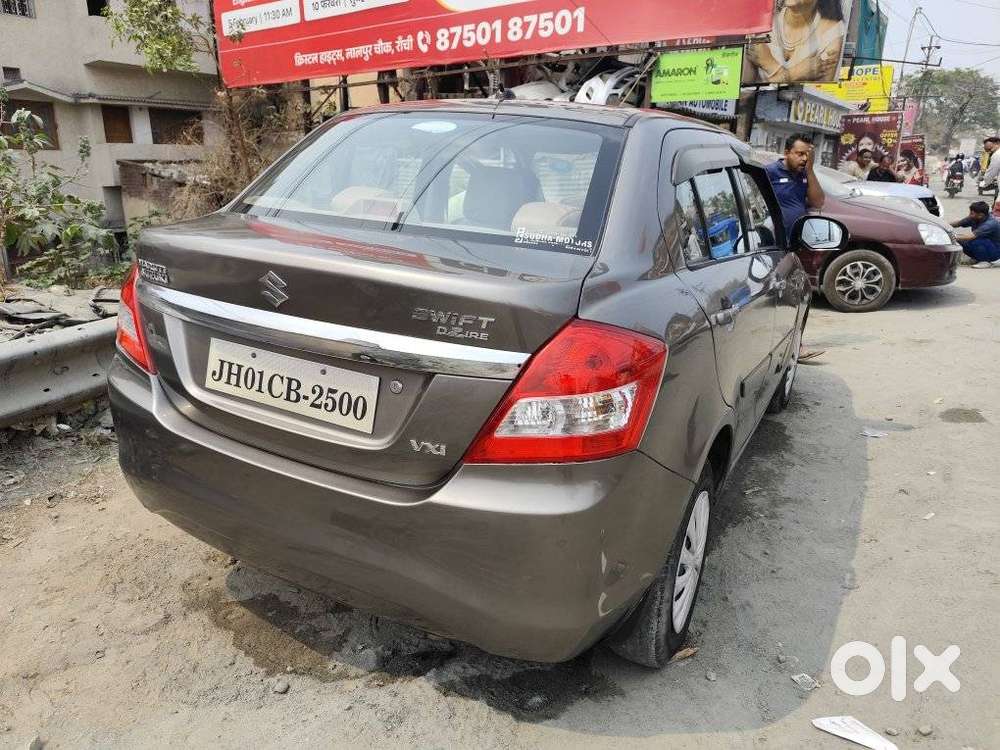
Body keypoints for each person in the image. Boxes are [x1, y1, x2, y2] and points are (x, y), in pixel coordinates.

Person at [765, 133, 826, 361]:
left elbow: (818, 202)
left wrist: (809, 171)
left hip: (795, 246)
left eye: (808, 155)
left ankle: (795, 345)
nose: (803, 158)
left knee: (800, 296)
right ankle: (789, 346)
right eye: (800, 154)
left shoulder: (805, 176)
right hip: (772, 246)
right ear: (787, 153)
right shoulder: (770, 173)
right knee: (781, 298)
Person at [746, 0, 847, 84]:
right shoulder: (759, 27)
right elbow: (742, 98)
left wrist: (771, 66)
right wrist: (795, 74)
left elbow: (818, 99)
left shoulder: (833, 32)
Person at [950, 201, 1000, 268]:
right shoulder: (974, 218)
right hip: (983, 245)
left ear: (980, 215)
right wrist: (942, 225)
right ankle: (977, 258)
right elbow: (958, 223)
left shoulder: (990, 223)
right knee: (959, 240)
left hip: (995, 251)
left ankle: (985, 261)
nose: (970, 215)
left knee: (975, 240)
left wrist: (952, 236)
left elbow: (971, 236)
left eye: (972, 213)